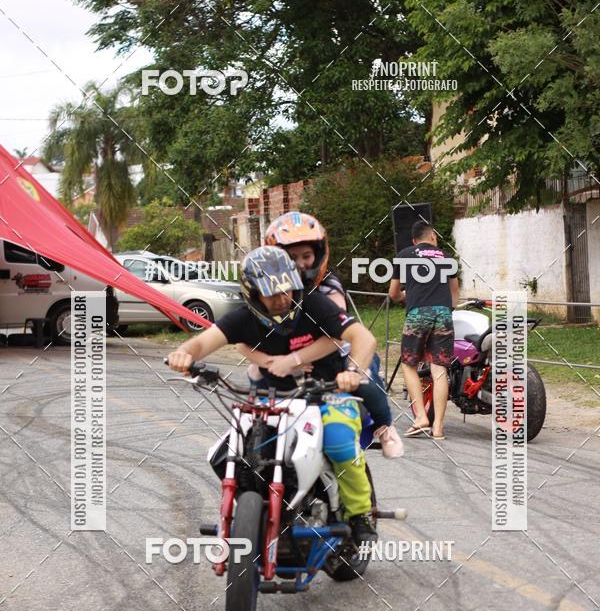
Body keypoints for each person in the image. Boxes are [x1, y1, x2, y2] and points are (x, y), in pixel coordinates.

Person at [167, 245, 378, 547]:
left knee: (339, 442)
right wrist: (182, 353)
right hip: (272, 402)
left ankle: (359, 515)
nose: (281, 299)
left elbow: (363, 337)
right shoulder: (243, 319)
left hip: (327, 395)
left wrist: (353, 371)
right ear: (253, 294)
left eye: (286, 290)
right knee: (229, 453)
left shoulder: (315, 305)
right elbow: (201, 344)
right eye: (271, 293)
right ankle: (257, 513)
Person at [238, 211, 403, 458]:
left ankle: (384, 427)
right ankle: (262, 423)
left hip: (336, 356)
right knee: (253, 372)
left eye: (306, 256)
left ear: (319, 253)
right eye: (291, 257)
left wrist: (299, 359)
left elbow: (338, 337)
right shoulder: (266, 289)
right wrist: (274, 361)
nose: (301, 263)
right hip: (291, 358)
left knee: (366, 377)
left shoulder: (328, 286)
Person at [389, 220, 459, 440]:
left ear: (414, 241)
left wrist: (404, 297)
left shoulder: (404, 254)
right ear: (433, 237)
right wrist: (449, 309)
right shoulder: (447, 257)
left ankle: (421, 417)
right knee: (439, 371)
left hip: (418, 314)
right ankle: (438, 427)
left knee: (409, 365)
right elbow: (454, 291)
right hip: (443, 315)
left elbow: (393, 293)